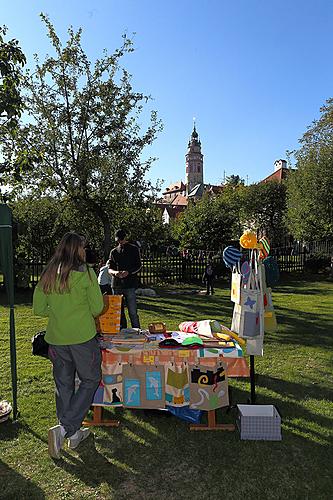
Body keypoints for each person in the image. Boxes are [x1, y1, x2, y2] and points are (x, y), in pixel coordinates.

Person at [33, 232, 104, 459]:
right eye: (84, 247)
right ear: (78, 249)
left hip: (57, 339)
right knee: (90, 379)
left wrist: (59, 312)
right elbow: (97, 308)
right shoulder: (87, 273)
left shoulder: (49, 273)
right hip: (82, 338)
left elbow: (39, 309)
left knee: (64, 385)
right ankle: (65, 429)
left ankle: (71, 434)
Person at [108, 229, 141, 329]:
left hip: (130, 285)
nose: (120, 242)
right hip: (117, 285)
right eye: (118, 240)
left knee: (132, 312)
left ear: (125, 238)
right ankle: (121, 332)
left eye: (121, 239)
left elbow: (138, 266)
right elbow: (109, 268)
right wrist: (115, 273)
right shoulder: (113, 252)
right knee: (118, 312)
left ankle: (137, 331)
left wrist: (128, 272)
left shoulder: (134, 249)